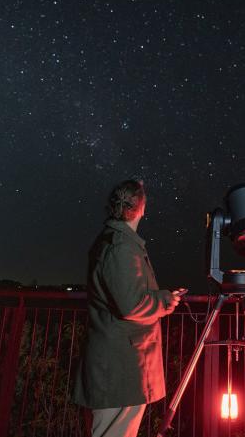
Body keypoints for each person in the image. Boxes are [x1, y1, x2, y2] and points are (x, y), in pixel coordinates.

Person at [72, 179, 183, 437]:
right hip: (120, 368)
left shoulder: (118, 241)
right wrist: (164, 301)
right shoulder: (120, 246)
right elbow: (131, 304)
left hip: (121, 365)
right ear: (141, 207)